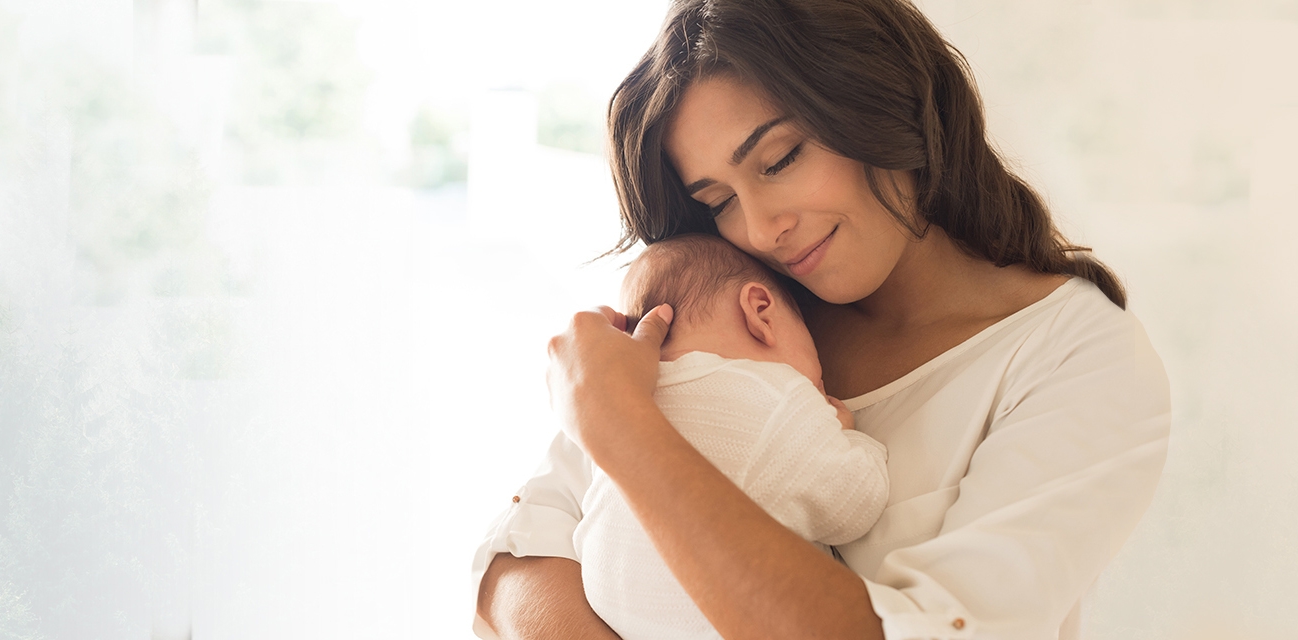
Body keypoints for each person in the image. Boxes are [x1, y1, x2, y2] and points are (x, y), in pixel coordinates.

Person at [471, 0, 1171, 639]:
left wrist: (622, 428)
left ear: (878, 102)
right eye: (718, 200)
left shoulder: (1075, 358)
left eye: (779, 160)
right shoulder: (735, 311)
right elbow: (514, 567)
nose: (760, 227)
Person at [575, 233, 889, 640]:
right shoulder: (776, 396)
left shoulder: (622, 402)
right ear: (761, 312)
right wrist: (850, 438)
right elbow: (854, 506)